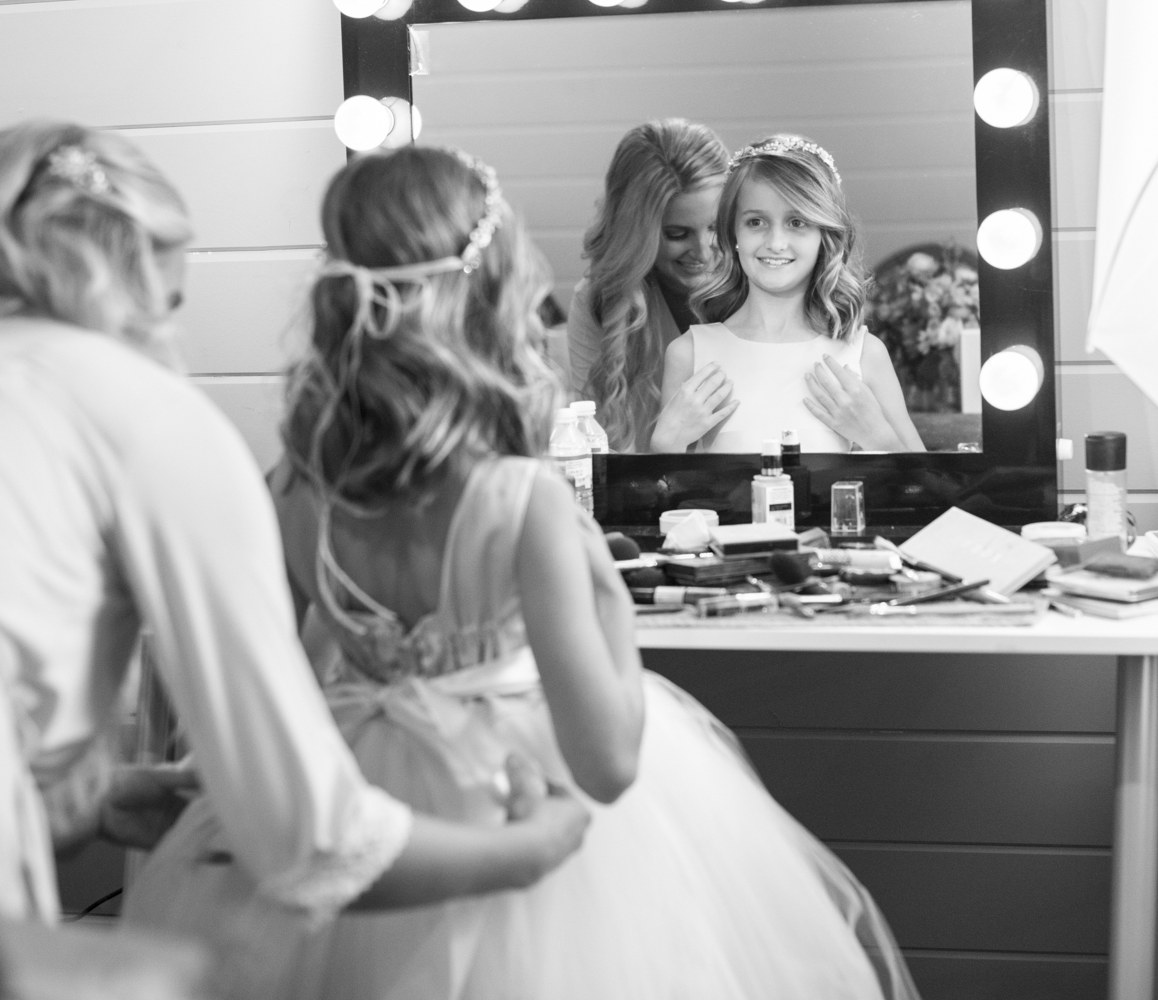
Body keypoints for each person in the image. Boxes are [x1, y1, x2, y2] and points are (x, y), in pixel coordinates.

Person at [126, 144, 921, 999]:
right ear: (493, 299)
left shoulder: (293, 489)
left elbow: (259, 687)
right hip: (515, 817)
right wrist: (604, 601)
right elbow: (610, 761)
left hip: (358, 809)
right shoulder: (526, 503)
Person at [0, 121, 589, 924]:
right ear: (126, 278)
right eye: (170, 299)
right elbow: (316, 845)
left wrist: (95, 798)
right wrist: (533, 852)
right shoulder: (146, 412)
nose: (172, 337)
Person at [667, 135, 927, 453]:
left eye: (796, 222)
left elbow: (927, 491)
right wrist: (666, 444)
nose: (776, 242)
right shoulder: (689, 354)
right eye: (756, 221)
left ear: (825, 235)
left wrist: (877, 436)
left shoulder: (864, 354)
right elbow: (666, 496)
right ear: (732, 232)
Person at [568, 119, 740, 452]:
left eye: (715, 227)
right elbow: (606, 460)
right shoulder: (598, 301)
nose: (704, 253)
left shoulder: (761, 283)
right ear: (636, 233)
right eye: (677, 234)